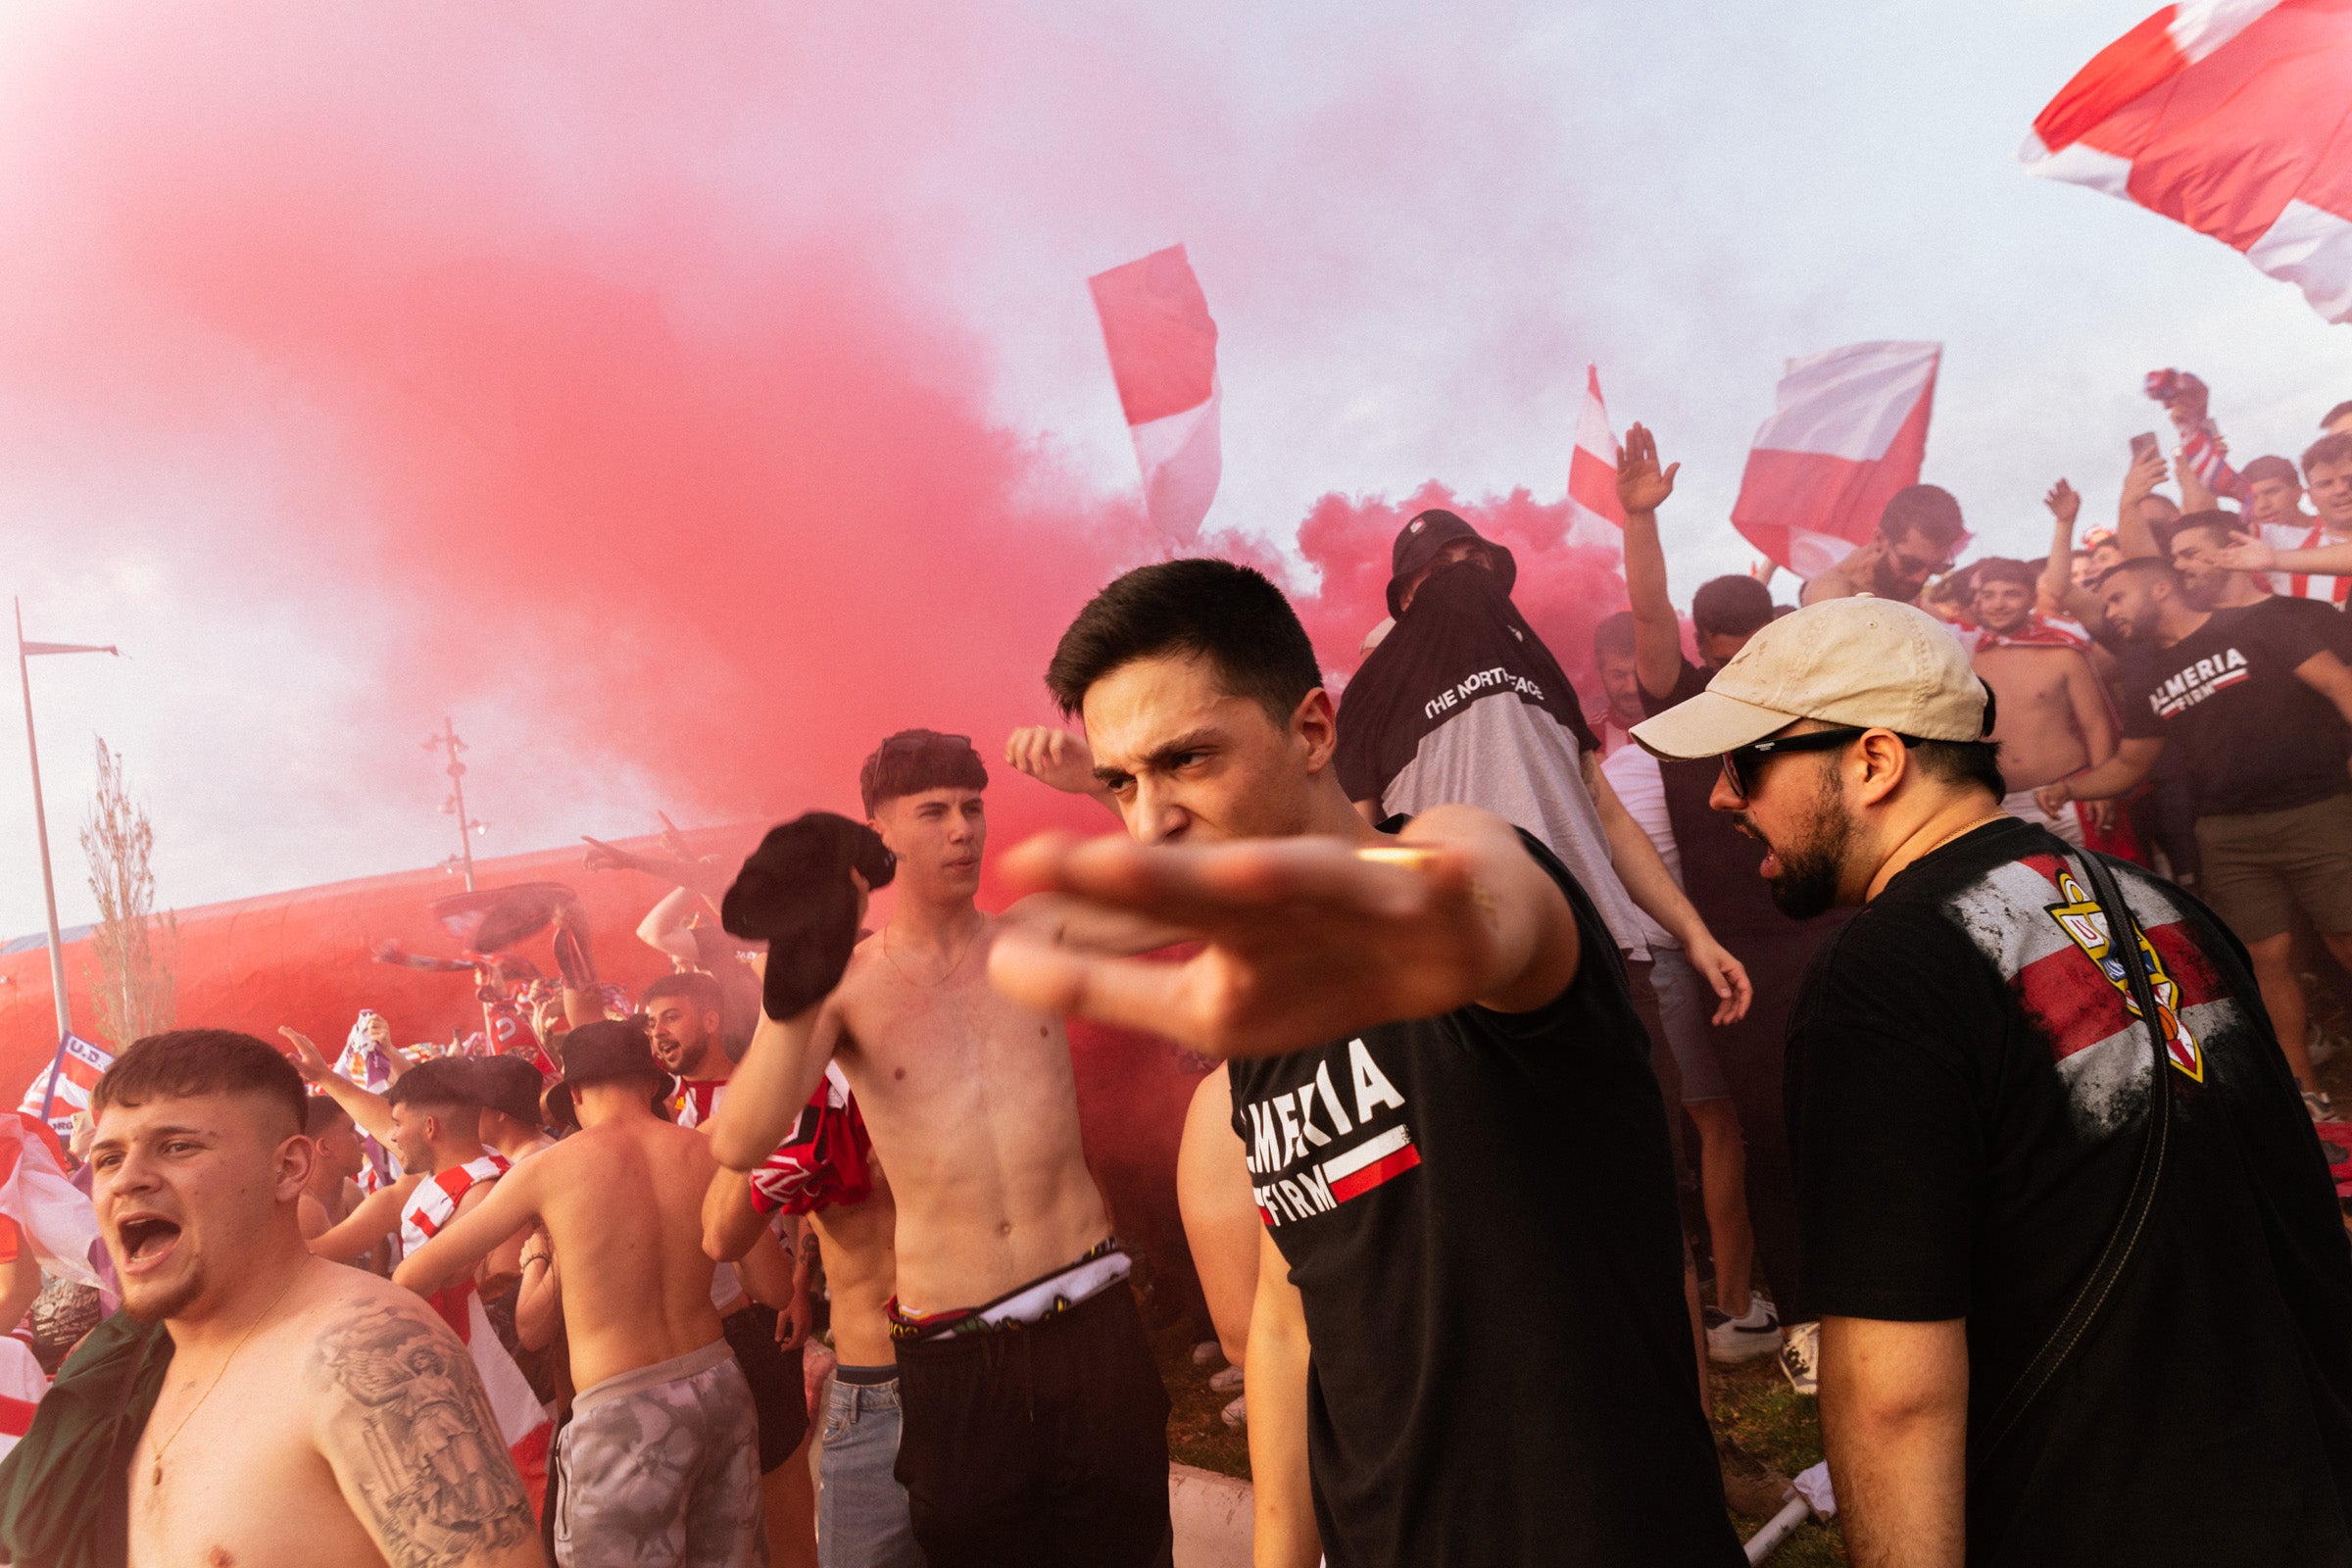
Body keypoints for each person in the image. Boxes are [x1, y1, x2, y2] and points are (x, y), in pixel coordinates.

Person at [984, 558, 1742, 1566]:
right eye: (1121, 782)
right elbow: (1295, 1317)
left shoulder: (1464, 873)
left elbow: (1481, 897)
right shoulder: (1263, 1023)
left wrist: (1414, 912)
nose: (1148, 821)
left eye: (1189, 760)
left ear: (1313, 730)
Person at [1631, 594, 2352, 1567]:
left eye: (1746, 760)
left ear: (1874, 761)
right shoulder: (2160, 902)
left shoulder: (1883, 977)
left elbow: (1894, 1393)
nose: (1722, 797)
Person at [710, 729, 1171, 1568]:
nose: (962, 830)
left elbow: (1192, 894)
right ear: (879, 834)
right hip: (954, 1352)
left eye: (972, 808)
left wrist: (1100, 785)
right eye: (933, 812)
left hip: (1090, 1317)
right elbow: (741, 1139)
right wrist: (797, 972)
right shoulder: (847, 985)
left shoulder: (1035, 931)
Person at [0, 1029, 542, 1568]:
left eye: (178, 1147)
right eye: (108, 1159)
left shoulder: (364, 1355)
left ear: (287, 1169)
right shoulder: (122, 1367)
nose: (127, 1180)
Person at [1618, 424, 1842, 1391]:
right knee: (1802, 1136)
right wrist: (1640, 524)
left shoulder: (1787, 698)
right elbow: (1649, 619)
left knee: (1806, 1137)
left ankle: (1840, 1325)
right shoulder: (1708, 702)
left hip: (1788, 945)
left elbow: (1649, 613)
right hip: (1777, 947)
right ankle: (1822, 1332)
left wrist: (1638, 522)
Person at [399, 1018, 767, 1568]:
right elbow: (771, 1285)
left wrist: (531, 1260)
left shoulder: (549, 1170)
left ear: (573, 1093)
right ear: (651, 1084)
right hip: (719, 1385)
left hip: (622, 1411)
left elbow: (413, 1275)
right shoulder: (707, 1153)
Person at [2038, 559, 2352, 1114]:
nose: (2110, 613)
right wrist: (2070, 787)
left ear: (2161, 588)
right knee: (2265, 960)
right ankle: (2306, 1095)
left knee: (2345, 939)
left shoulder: (2257, 625)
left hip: (2315, 809)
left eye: (2117, 598)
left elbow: (2339, 684)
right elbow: (2131, 763)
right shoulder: (2148, 677)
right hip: (2226, 833)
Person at [306, 1057, 556, 1500]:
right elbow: (325, 1250)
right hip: (442, 1364)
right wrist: (325, 1077)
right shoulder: (437, 1176)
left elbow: (419, 1279)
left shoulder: (486, 1189)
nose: (389, 1136)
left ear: (430, 1128)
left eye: (398, 1125)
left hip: (486, 1371)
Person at [1966, 557, 2118, 847]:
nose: (1998, 604)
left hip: (2068, 793)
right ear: (1978, 601)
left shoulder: (2063, 652)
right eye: (1989, 595)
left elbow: (2096, 724)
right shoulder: (1966, 657)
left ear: (2032, 599)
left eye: (2011, 594)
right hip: (1999, 805)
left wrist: (2100, 787)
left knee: (2097, 874)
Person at [2213, 432, 2352, 612]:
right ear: (2310, 495)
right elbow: (2208, 529)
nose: (2340, 490)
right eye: (2325, 484)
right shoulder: (2280, 542)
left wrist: (2276, 559)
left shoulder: (2277, 554)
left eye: (2349, 480)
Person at [1798, 484, 1968, 607]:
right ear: (1881, 539)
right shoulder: (1833, 592)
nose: (1920, 579)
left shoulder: (1899, 587)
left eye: (1936, 568)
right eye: (1911, 564)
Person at [299, 1094, 387, 1273]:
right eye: (351, 1130)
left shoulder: (349, 1190)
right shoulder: (303, 1207)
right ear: (324, 1147)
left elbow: (381, 1245)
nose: (362, 1139)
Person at [1590, 610, 1645, 758]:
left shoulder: (1680, 727)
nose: (1631, 688)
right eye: (1618, 675)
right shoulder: (1587, 739)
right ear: (1600, 672)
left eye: (1640, 674)